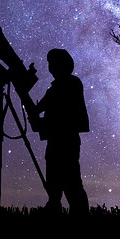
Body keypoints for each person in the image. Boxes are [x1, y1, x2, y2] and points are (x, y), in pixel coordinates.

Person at [32, 48, 89, 214]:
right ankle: (54, 205)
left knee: (71, 183)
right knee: (54, 181)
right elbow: (41, 108)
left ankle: (79, 212)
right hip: (56, 140)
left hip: (65, 140)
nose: (50, 67)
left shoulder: (69, 84)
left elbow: (56, 111)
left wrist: (39, 116)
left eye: (53, 63)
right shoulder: (57, 87)